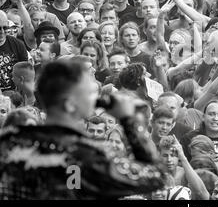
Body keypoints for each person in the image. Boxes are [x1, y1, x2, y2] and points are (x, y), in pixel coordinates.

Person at [0, 59, 165, 199]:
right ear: (70, 104)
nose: (97, 97)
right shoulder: (87, 155)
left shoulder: (9, 140)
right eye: (90, 93)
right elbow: (156, 177)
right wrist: (131, 121)